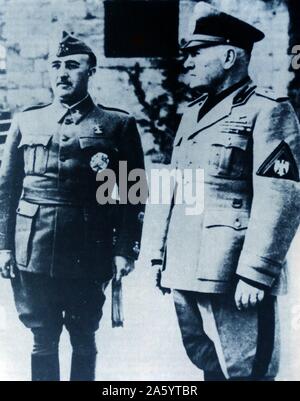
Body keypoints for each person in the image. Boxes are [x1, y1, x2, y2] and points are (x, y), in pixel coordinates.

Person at [152, 2, 300, 381]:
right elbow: (177, 186)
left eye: (197, 54)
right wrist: (159, 256)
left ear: (230, 56)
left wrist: (256, 272)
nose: (187, 62)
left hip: (233, 270)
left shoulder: (268, 111)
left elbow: (279, 196)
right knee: (208, 363)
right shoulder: (192, 114)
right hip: (186, 265)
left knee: (248, 369)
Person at [0, 31, 145, 381]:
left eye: (72, 66)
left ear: (91, 71)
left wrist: (125, 250)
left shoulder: (117, 124)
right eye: (56, 65)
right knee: (42, 337)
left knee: (83, 336)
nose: (62, 73)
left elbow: (132, 193)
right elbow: (6, 190)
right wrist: (3, 245)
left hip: (89, 247)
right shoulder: (26, 120)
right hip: (33, 247)